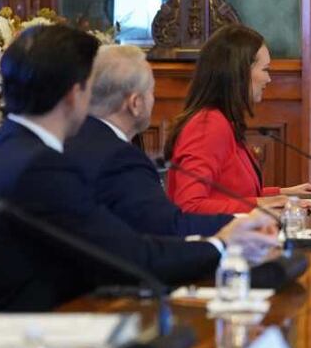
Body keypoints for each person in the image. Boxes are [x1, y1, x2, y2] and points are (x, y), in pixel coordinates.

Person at [0, 25, 276, 325]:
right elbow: (130, 257)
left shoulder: (0, 146)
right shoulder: (40, 167)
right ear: (75, 95)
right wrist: (222, 246)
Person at [64, 45, 232, 236]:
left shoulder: (70, 139)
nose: (154, 99)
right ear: (135, 103)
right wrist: (239, 223)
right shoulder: (119, 159)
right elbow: (168, 227)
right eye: (152, 91)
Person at [165, 25, 311, 214]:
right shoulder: (207, 125)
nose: (269, 79)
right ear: (240, 72)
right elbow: (190, 205)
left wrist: (282, 194)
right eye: (265, 69)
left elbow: (230, 194)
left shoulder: (222, 120)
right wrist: (262, 204)